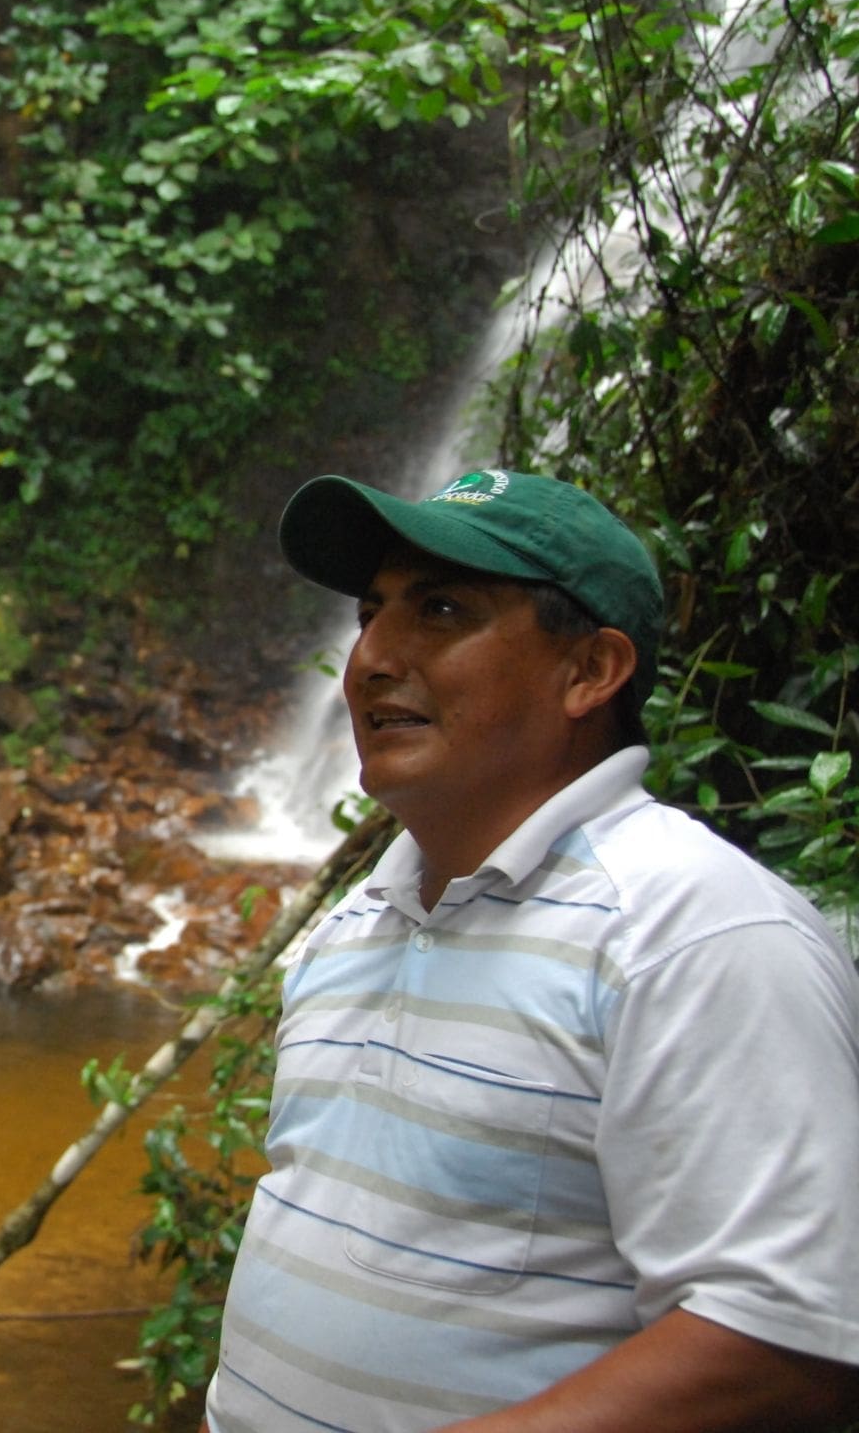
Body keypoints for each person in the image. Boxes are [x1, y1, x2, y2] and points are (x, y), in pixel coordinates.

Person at [203, 469, 859, 1433]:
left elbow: (791, 1338)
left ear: (590, 672)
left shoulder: (692, 932)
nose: (373, 659)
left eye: (441, 609)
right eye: (370, 612)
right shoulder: (353, 929)